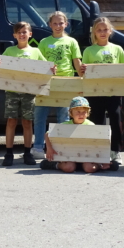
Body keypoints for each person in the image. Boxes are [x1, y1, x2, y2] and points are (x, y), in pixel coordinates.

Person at [79, 16, 124, 167]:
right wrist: (82, 70)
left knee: (116, 121)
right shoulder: (89, 50)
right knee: (97, 122)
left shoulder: (117, 49)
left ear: (110, 31)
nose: (102, 32)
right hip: (95, 94)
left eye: (105, 29)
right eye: (99, 30)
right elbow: (84, 73)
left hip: (114, 93)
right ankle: (99, 152)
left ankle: (115, 151)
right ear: (94, 32)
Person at [0, 21, 54, 167]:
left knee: (27, 122)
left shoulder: (36, 52)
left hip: (29, 93)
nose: (22, 35)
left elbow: (45, 68)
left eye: (24, 32)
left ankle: (27, 152)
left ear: (30, 34)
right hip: (12, 92)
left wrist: (51, 70)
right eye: (19, 32)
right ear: (14, 35)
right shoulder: (9, 51)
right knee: (11, 121)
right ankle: (8, 153)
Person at [32, 11, 83, 160]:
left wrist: (82, 78)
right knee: (40, 115)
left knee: (63, 116)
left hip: (66, 82)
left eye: (61, 23)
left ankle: (61, 147)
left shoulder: (72, 42)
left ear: (66, 24)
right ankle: (38, 147)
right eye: (55, 23)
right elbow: (39, 63)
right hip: (45, 82)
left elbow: (77, 63)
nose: (58, 26)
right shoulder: (44, 42)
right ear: (49, 25)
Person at [40, 96, 112, 173]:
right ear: (71, 113)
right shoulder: (65, 125)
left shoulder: (91, 126)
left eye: (84, 112)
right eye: (78, 112)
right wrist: (49, 148)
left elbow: (100, 142)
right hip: (69, 157)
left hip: (86, 157)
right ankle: (54, 165)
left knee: (90, 168)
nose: (81, 115)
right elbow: (48, 134)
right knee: (68, 168)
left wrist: (103, 159)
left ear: (87, 113)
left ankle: (102, 166)